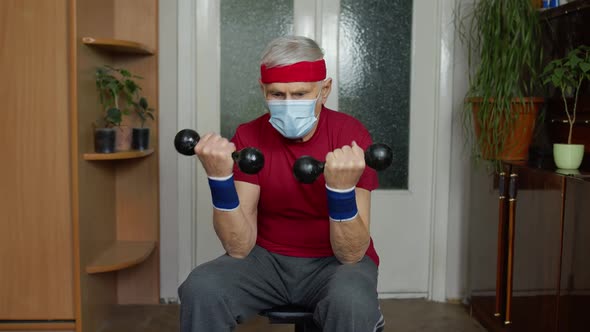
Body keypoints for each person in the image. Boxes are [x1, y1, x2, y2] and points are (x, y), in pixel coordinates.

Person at [179, 35, 385, 332]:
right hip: (266, 261)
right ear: (263, 90)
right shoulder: (249, 136)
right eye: (277, 95)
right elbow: (238, 247)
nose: (288, 105)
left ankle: (365, 313)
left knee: (351, 299)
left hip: (334, 263)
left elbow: (351, 253)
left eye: (300, 94)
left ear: (324, 90)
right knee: (201, 288)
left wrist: (340, 191)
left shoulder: (350, 136)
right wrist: (219, 179)